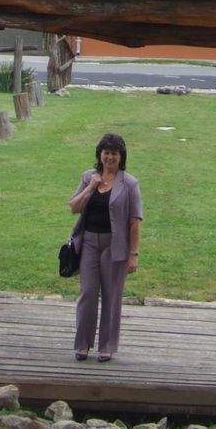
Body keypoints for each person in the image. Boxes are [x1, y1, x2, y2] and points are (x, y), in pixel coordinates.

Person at [68, 132, 142, 362]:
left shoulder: (129, 184)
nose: (110, 157)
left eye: (114, 153)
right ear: (100, 155)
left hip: (115, 247)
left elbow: (135, 222)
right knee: (88, 293)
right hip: (89, 243)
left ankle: (107, 346)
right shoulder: (88, 177)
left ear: (121, 157)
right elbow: (74, 207)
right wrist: (90, 187)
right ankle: (82, 344)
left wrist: (133, 254)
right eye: (106, 153)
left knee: (112, 296)